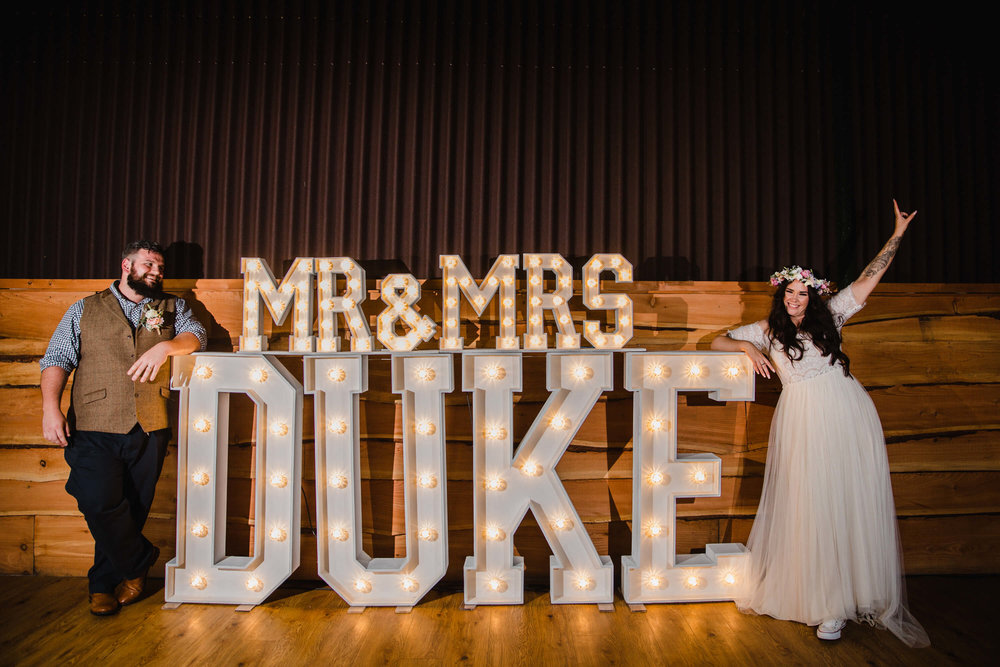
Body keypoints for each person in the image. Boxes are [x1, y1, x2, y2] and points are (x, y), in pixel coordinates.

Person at [711, 201, 929, 647]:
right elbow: (718, 339)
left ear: (813, 296)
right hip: (802, 417)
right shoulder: (768, 331)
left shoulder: (833, 316)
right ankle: (819, 596)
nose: (794, 299)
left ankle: (842, 602)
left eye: (802, 293)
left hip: (845, 410)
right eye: (788, 292)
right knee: (810, 502)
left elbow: (868, 279)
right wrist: (745, 349)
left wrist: (897, 234)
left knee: (845, 498)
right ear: (781, 295)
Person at [40, 240, 207, 616]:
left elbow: (197, 336)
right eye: (149, 264)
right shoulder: (83, 308)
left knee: (132, 509)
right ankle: (139, 560)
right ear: (126, 266)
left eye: (160, 267)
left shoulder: (174, 306)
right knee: (97, 500)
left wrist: (165, 348)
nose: (156, 272)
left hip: (150, 423)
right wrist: (51, 408)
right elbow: (56, 358)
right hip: (93, 422)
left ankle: (101, 586)